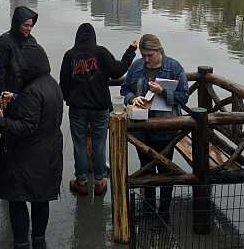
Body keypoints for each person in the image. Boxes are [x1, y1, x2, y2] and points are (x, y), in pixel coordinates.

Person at [0, 44, 63, 249]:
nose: (18, 72)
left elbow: (27, 126)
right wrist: (16, 99)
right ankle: (39, 241)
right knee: (40, 198)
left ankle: (21, 243)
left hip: (28, 157)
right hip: (48, 153)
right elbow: (38, 109)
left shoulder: (32, 91)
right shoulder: (51, 84)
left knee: (16, 198)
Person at [120, 34, 189, 230]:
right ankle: (148, 206)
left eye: (150, 55)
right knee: (145, 168)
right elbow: (124, 89)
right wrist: (132, 98)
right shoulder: (136, 67)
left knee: (166, 171)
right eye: (143, 55)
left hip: (166, 130)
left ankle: (164, 212)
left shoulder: (174, 67)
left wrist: (163, 92)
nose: (146, 59)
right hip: (141, 129)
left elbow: (184, 96)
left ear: (160, 49)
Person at [60, 23, 137, 196]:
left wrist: (68, 99)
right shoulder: (101, 52)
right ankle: (100, 182)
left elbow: (64, 83)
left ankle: (81, 182)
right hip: (100, 107)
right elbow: (118, 71)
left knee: (79, 144)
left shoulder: (69, 55)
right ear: (94, 37)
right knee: (99, 144)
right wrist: (131, 51)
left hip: (77, 108)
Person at [0, 5, 38, 101]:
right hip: (6, 90)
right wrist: (2, 95)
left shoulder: (31, 41)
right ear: (17, 24)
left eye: (31, 26)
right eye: (26, 26)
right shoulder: (2, 44)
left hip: (24, 89)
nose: (29, 29)